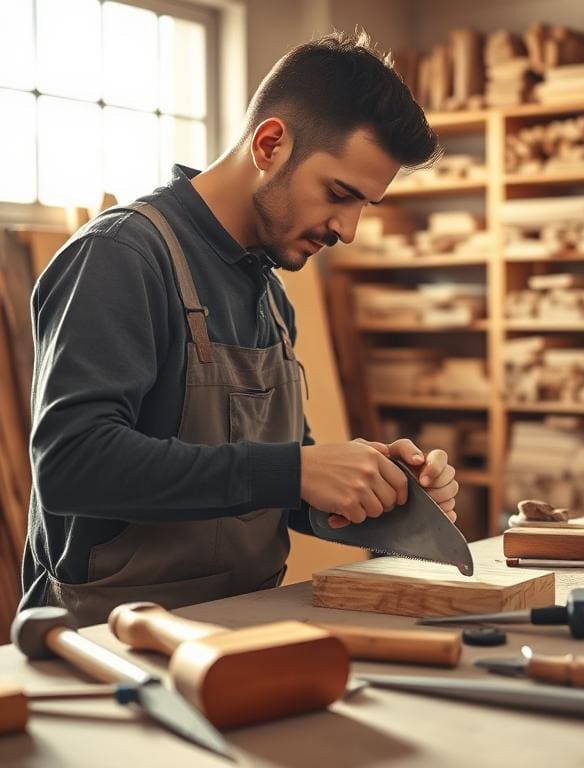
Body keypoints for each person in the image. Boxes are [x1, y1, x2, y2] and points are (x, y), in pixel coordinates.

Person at [20, 30, 459, 626]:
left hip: (245, 628)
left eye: (364, 206)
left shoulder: (271, 293)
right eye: (339, 194)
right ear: (271, 143)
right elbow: (71, 464)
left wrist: (376, 492)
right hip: (109, 647)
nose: (348, 229)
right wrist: (296, 470)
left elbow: (271, 488)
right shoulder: (122, 257)